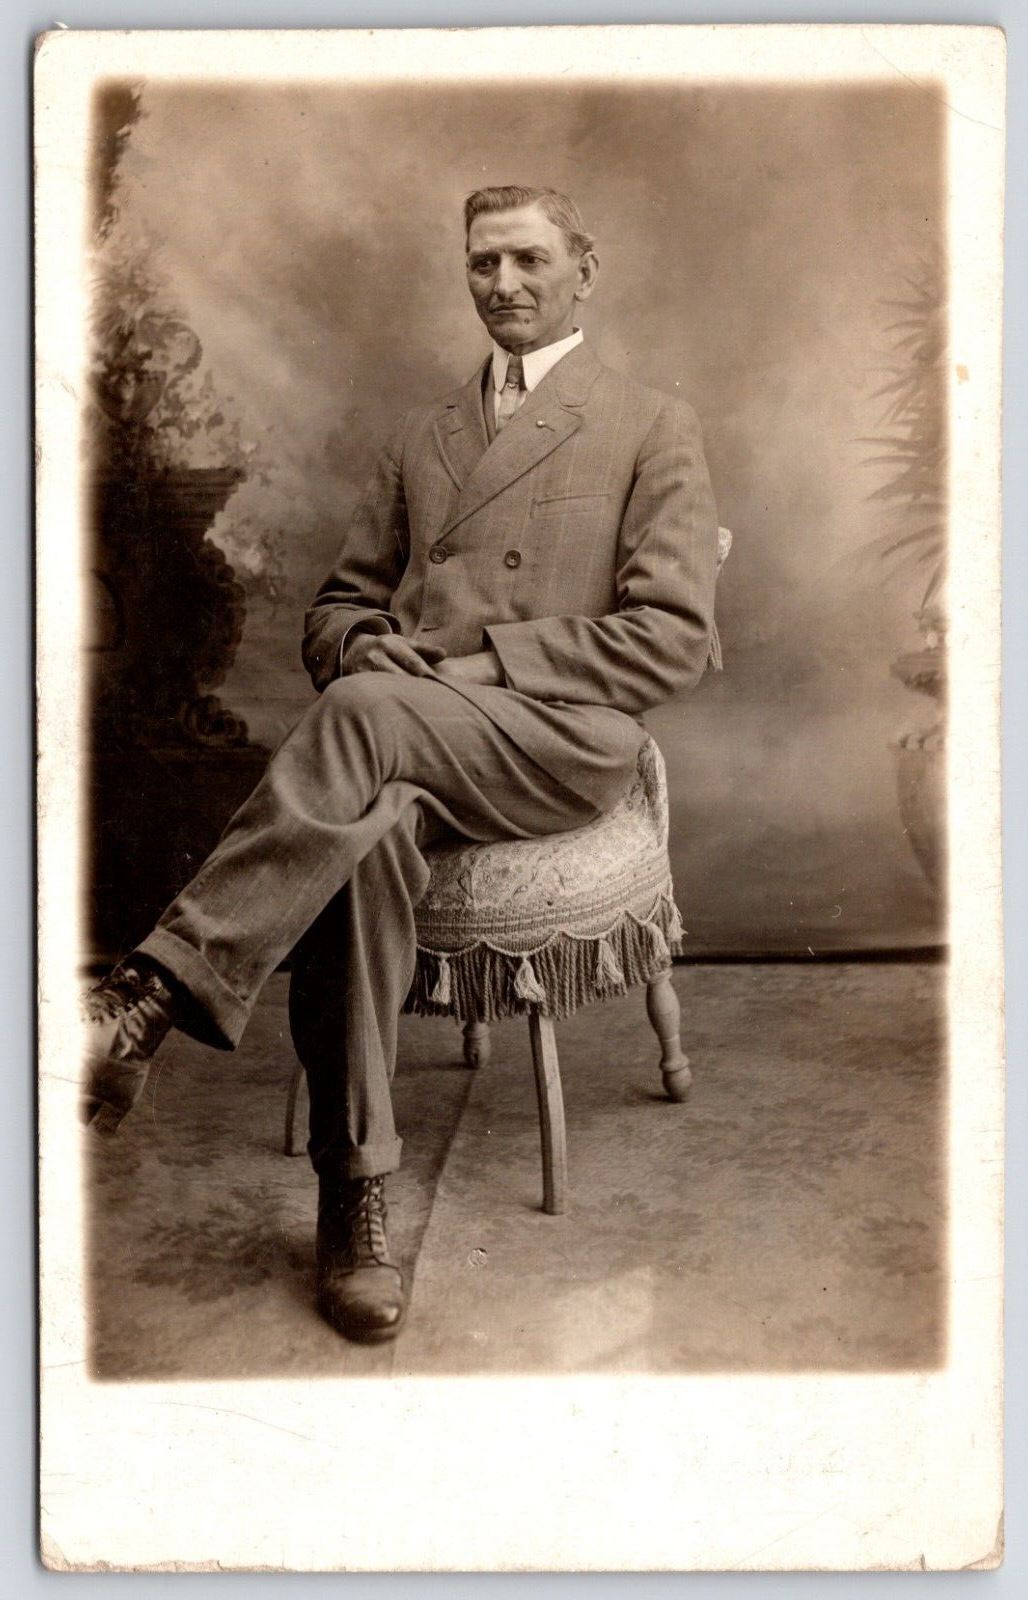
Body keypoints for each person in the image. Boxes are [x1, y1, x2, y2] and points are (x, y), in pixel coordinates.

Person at [83, 184, 720, 1346]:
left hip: (556, 740)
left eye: (529, 259)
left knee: (371, 715)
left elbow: (671, 638)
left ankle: (147, 996)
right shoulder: (421, 436)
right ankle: (355, 1197)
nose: (504, 285)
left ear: (585, 266)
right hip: (405, 737)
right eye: (482, 264)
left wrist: (471, 666)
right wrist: (363, 641)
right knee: (365, 840)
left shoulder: (648, 422)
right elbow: (333, 610)